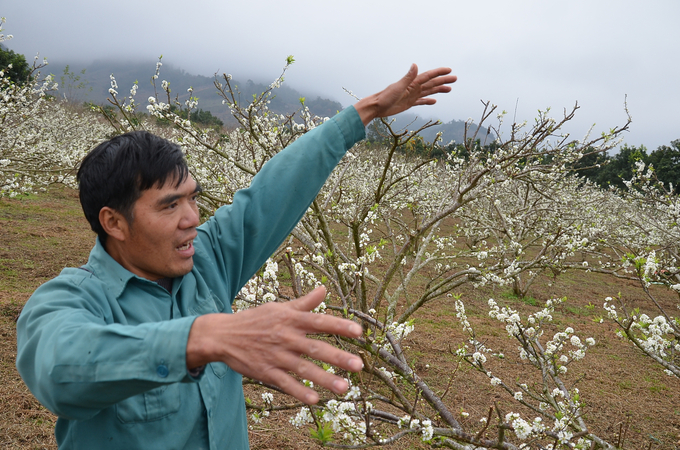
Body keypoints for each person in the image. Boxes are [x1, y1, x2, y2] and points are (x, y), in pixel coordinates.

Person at [16, 65, 457, 449]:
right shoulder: (68, 301)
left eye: (193, 198)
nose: (193, 218)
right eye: (170, 205)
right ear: (114, 223)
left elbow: (272, 192)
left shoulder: (206, 262)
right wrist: (199, 338)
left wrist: (366, 112)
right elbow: (60, 371)